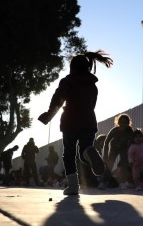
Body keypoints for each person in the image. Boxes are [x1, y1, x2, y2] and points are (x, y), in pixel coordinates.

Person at [38, 50, 112, 195]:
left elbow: (58, 99)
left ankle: (73, 186)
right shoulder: (93, 86)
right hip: (89, 121)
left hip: (70, 121)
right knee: (85, 149)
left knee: (69, 153)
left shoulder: (68, 81)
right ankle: (88, 152)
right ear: (88, 67)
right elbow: (92, 105)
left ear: (72, 67)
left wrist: (49, 115)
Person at [101, 113, 134, 189]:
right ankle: (103, 182)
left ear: (128, 123)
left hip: (124, 148)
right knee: (110, 164)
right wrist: (105, 156)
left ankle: (123, 181)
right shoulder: (114, 130)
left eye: (125, 122)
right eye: (121, 122)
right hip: (114, 147)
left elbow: (133, 142)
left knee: (125, 163)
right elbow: (106, 142)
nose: (123, 124)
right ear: (118, 123)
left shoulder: (130, 131)